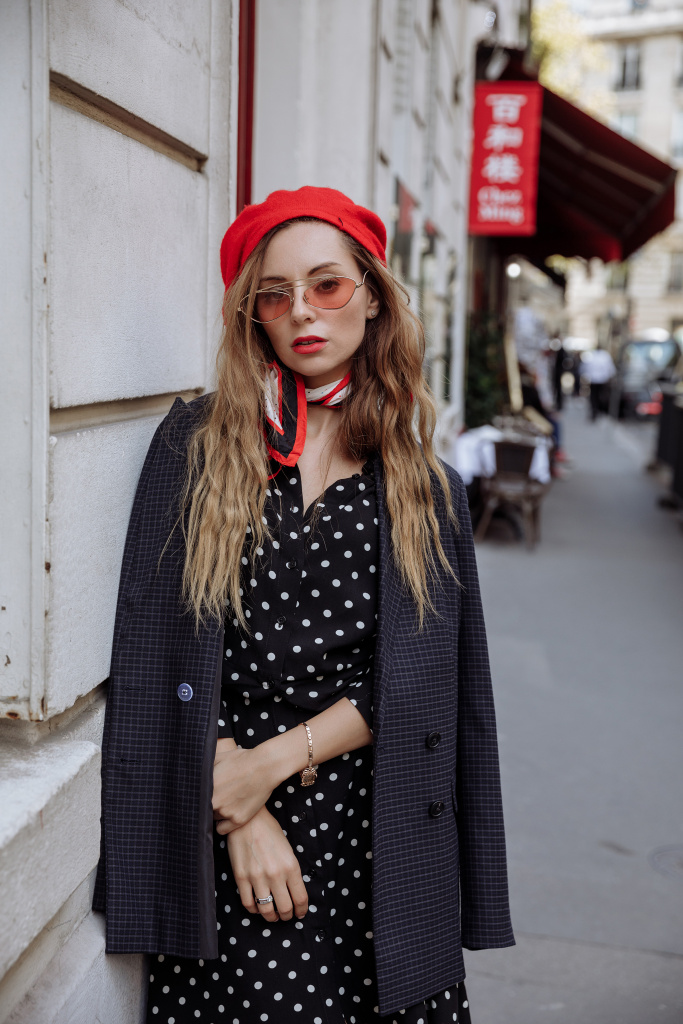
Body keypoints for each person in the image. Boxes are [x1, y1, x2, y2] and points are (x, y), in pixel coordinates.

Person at [93, 186, 514, 1024]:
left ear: (372, 295)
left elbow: (423, 683)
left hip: (374, 824)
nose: (302, 312)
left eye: (326, 284)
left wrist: (272, 763)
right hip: (218, 832)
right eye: (274, 294)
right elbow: (154, 655)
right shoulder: (195, 448)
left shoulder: (424, 488)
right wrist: (238, 806)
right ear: (251, 315)